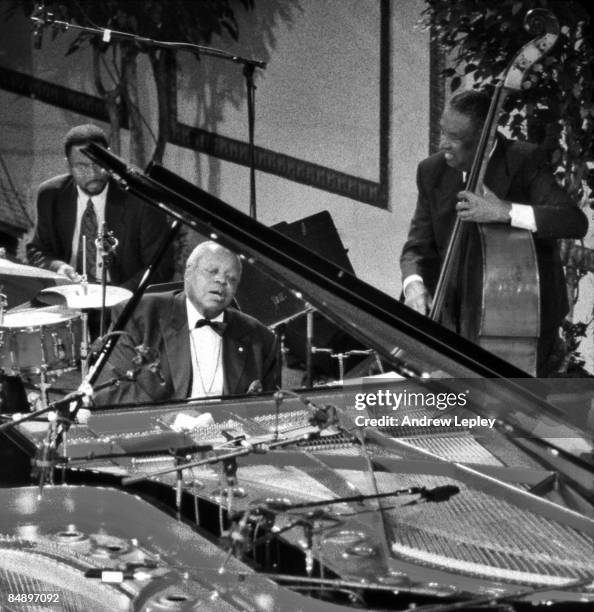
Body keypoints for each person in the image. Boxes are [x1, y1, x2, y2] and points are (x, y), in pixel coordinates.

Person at [400, 89, 588, 376]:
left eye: (455, 139)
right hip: (454, 322)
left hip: (524, 327)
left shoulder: (524, 161)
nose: (442, 144)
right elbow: (417, 246)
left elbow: (574, 221)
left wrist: (505, 211)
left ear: (484, 140)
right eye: (442, 132)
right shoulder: (431, 170)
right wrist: (413, 283)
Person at [94, 241, 278, 405]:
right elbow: (110, 392)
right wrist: (173, 421)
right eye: (212, 271)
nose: (222, 280)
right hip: (161, 438)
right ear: (188, 273)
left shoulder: (261, 338)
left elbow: (272, 409)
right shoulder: (137, 316)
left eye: (231, 278)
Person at [27, 124, 173, 290]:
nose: (92, 173)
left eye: (98, 164)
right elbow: (37, 250)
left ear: (109, 157)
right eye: (81, 166)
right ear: (68, 164)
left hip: (122, 298)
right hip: (71, 294)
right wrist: (59, 268)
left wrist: (119, 298)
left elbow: (160, 267)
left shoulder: (139, 200)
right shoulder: (51, 195)